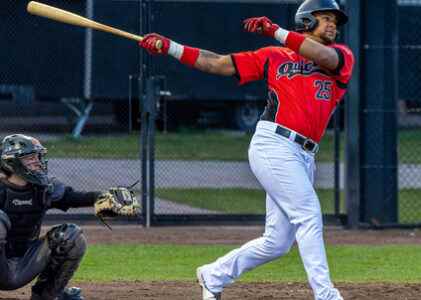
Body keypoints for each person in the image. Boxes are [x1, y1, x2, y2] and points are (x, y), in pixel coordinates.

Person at [140, 0, 353, 299]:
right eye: (325, 18)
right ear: (306, 20)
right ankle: (326, 294)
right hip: (274, 144)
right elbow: (217, 63)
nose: (332, 24)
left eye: (335, 20)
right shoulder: (274, 56)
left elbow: (323, 56)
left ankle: (213, 275)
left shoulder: (341, 56)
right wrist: (170, 48)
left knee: (277, 242)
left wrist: (275, 30)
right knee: (307, 214)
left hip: (304, 154)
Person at [0, 134, 139, 299]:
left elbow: (73, 197)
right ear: (11, 162)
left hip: (24, 262)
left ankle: (48, 295)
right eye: (30, 158)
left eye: (38, 157)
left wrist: (107, 198)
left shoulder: (44, 189)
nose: (37, 162)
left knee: (71, 236)